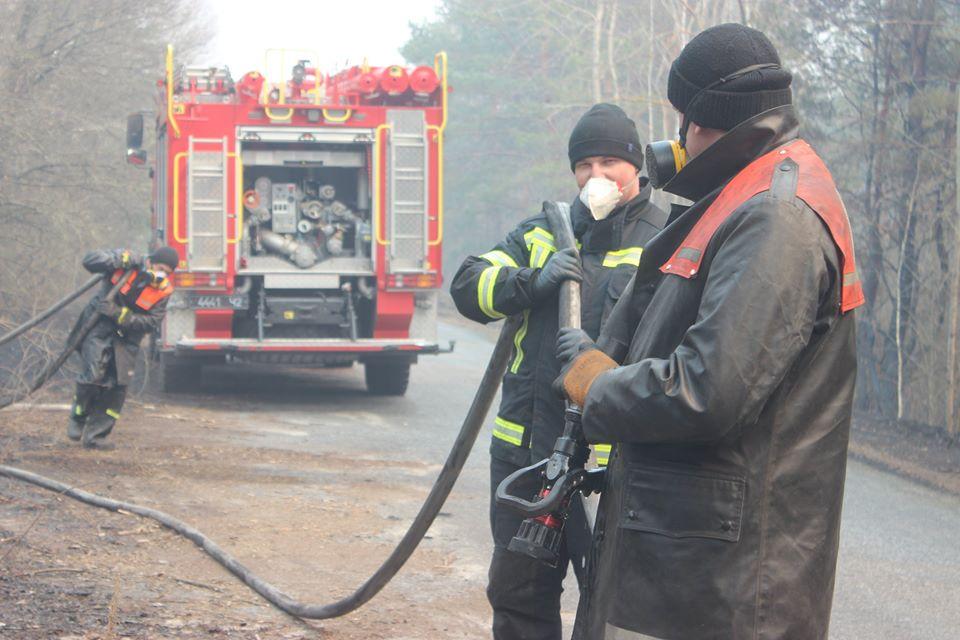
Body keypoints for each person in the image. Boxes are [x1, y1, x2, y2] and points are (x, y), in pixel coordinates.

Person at [555, 24, 864, 640]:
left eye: (680, 119)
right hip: (687, 562)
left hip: (723, 583)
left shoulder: (776, 216)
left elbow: (706, 390)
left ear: (700, 120)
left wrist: (599, 385)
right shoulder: (739, 194)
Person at [451, 103, 667, 640]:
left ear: (636, 169)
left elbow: (679, 348)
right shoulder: (546, 233)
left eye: (609, 164)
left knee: (614, 605)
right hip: (528, 457)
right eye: (584, 166)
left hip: (614, 467)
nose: (595, 177)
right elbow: (467, 286)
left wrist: (600, 356)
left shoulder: (667, 239)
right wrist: (531, 281)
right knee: (520, 595)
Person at [67, 246, 178, 449]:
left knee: (116, 388)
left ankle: (96, 437)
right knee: (93, 376)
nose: (162, 275)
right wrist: (118, 260)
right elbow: (90, 260)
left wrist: (118, 313)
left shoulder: (163, 291)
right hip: (97, 327)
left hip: (127, 338)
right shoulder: (129, 264)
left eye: (168, 273)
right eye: (160, 268)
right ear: (151, 262)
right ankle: (78, 416)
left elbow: (151, 322)